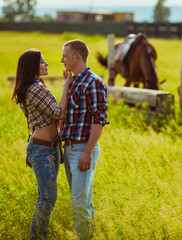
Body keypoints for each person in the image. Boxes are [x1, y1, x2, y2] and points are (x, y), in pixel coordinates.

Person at [12, 49, 73, 239]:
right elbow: (58, 113)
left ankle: (39, 236)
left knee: (46, 198)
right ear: (32, 66)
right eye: (42, 62)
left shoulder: (38, 85)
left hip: (50, 147)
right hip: (42, 149)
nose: (46, 65)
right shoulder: (34, 89)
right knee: (47, 198)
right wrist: (65, 86)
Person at [61, 39, 109, 239]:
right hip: (70, 148)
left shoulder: (94, 82)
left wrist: (87, 152)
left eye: (65, 55)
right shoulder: (74, 81)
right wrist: (65, 85)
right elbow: (64, 115)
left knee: (79, 202)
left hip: (83, 149)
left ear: (76, 57)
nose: (61, 59)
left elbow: (99, 119)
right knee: (81, 201)